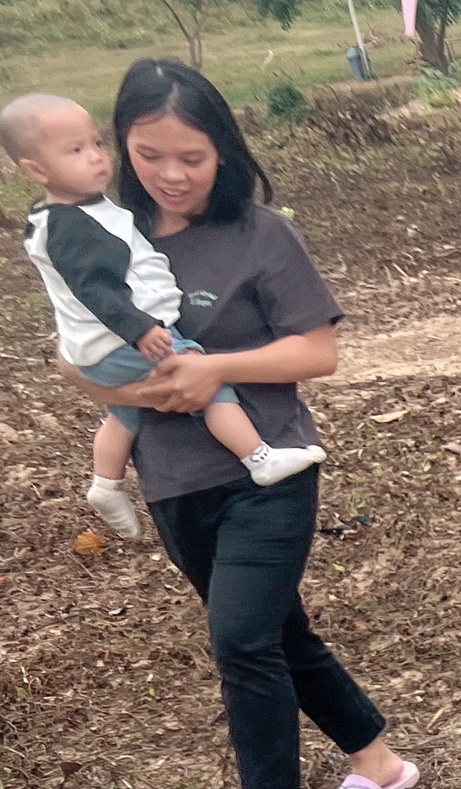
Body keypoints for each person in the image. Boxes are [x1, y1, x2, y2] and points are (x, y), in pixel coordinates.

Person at [60, 61, 414, 789]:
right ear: (122, 149)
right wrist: (125, 381)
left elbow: (317, 350)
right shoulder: (102, 237)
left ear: (224, 150)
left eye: (193, 156)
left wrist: (213, 368)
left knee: (241, 637)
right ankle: (381, 764)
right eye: (151, 155)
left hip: (270, 468)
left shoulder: (261, 233)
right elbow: (72, 352)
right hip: (174, 482)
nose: (173, 175)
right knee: (280, 634)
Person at [6, 92, 325, 543]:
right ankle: (258, 456)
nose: (96, 159)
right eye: (76, 151)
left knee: (122, 415)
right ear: (36, 170)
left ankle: (105, 482)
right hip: (124, 341)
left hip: (100, 350)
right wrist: (141, 329)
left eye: (96, 144)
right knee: (202, 377)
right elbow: (96, 289)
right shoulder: (74, 225)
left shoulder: (65, 217)